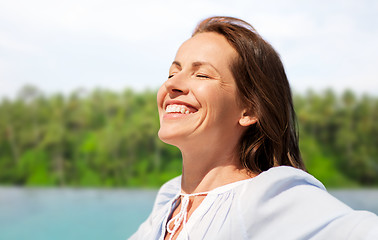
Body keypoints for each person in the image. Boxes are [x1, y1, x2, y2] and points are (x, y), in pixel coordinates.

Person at [130, 16, 378, 240]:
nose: (173, 85)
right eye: (173, 72)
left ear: (249, 110)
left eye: (202, 75)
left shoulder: (266, 195)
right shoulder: (171, 198)